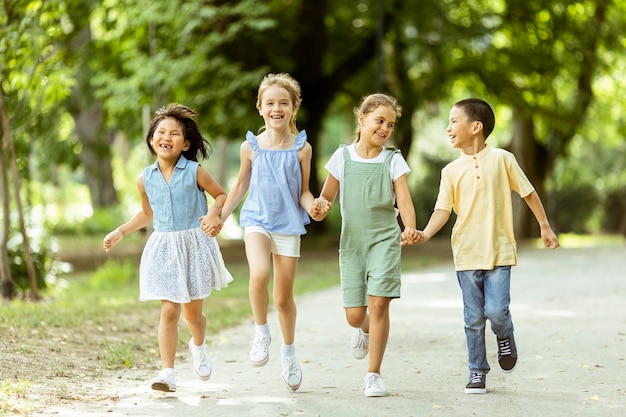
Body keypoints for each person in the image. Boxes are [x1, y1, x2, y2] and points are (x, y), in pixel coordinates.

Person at [416, 98, 559, 394]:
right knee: (473, 317)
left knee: (495, 311)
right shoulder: (450, 171)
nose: (448, 127)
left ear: (476, 126)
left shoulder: (503, 159)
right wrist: (425, 234)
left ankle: (505, 335)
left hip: (499, 250)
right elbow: (442, 210)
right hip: (466, 253)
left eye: (454, 121)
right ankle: (477, 370)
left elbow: (528, 192)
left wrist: (544, 226)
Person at [103, 103, 233, 393]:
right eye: (161, 132)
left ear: (185, 143)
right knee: (169, 311)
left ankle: (198, 345)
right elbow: (148, 214)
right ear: (151, 140)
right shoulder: (144, 179)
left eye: (175, 134)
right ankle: (168, 373)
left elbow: (221, 194)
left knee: (193, 316)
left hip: (193, 245)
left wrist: (213, 214)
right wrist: (121, 231)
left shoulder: (195, 171)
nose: (167, 137)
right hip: (163, 247)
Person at [310, 93, 421, 397]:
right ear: (362, 119)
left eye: (391, 124)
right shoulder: (341, 157)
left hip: (384, 241)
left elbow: (404, 200)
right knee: (356, 316)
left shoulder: (393, 159)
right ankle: (364, 330)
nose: (385, 128)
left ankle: (373, 375)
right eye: (379, 121)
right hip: (353, 245)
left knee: (379, 304)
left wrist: (409, 227)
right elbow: (326, 198)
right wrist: (319, 206)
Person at [217, 73, 317, 392]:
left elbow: (303, 191)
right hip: (257, 220)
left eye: (283, 103)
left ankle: (289, 353)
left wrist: (313, 204)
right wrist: (220, 216)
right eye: (270, 103)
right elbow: (241, 185)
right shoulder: (250, 147)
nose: (277, 108)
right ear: (260, 108)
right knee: (259, 273)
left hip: (288, 224)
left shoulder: (302, 149)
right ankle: (261, 332)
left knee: (283, 298)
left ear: (293, 108)